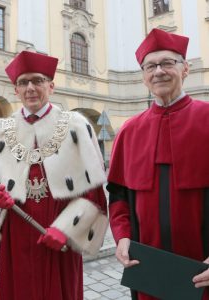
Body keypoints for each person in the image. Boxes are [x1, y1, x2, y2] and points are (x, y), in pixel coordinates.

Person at [0, 50, 108, 300]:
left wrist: (67, 230)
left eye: (37, 80)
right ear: (15, 90)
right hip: (17, 233)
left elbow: (95, 190)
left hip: (61, 234)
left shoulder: (76, 126)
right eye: (23, 82)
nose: (30, 88)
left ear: (51, 86)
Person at [107, 28, 209, 300]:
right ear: (143, 76)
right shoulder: (129, 131)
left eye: (167, 63)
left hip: (202, 267)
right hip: (147, 270)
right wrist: (122, 236)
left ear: (185, 68)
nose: (159, 71)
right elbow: (118, 196)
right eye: (150, 66)